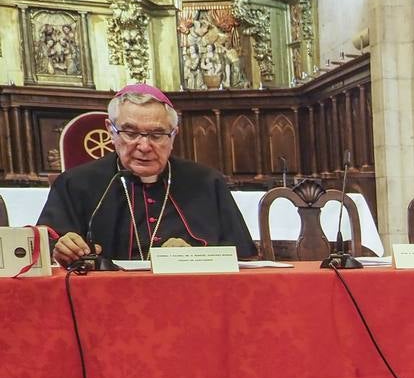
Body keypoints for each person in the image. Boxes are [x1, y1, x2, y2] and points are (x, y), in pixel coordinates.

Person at [39, 83, 256, 266]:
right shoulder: (76, 183)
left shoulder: (208, 182)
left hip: (191, 299)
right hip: (103, 302)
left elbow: (243, 257)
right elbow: (44, 244)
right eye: (131, 133)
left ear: (173, 135)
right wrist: (63, 248)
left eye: (157, 134)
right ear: (110, 131)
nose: (144, 146)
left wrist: (194, 257)